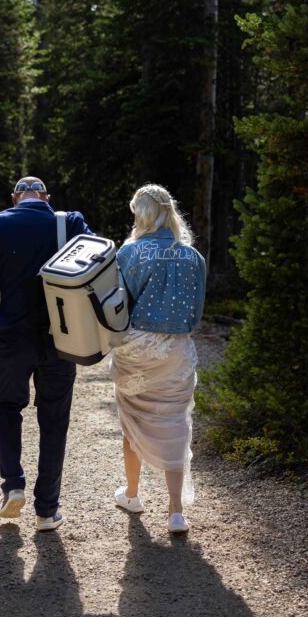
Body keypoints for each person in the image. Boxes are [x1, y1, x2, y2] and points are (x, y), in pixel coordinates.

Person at [0, 176, 93, 532]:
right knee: (54, 419)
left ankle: (13, 484)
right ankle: (46, 511)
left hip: (12, 337)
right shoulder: (69, 222)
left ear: (14, 198)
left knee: (7, 408)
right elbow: (98, 264)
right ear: (46, 199)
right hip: (63, 338)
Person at [109, 184, 206, 534]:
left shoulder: (130, 253)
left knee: (132, 420)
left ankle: (132, 495)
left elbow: (116, 307)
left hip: (135, 349)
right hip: (176, 351)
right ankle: (176, 511)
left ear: (143, 215)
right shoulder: (193, 257)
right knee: (175, 423)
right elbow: (196, 314)